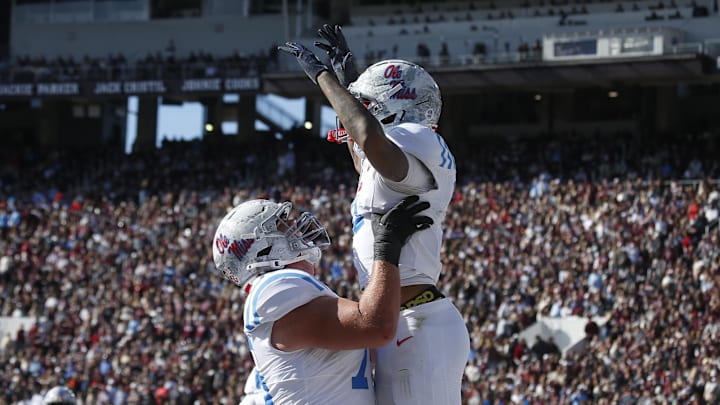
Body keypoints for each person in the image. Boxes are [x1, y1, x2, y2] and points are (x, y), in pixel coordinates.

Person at [279, 25, 470, 404]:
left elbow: (367, 135)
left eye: (368, 105)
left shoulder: (418, 136)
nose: (357, 112)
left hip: (418, 320)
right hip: (406, 318)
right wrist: (350, 84)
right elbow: (363, 149)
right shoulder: (406, 151)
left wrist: (324, 79)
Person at [212, 196, 433, 404]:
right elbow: (377, 326)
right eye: (282, 227)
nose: (295, 230)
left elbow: (373, 344)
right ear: (261, 250)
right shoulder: (273, 288)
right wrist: (387, 247)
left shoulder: (287, 294)